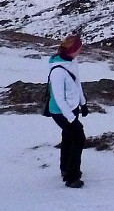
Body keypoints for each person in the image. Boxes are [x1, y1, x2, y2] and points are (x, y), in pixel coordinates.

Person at [47, 34, 88, 188]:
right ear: (73, 50)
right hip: (60, 112)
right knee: (78, 138)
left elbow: (77, 83)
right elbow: (58, 98)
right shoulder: (58, 71)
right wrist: (71, 118)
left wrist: (82, 103)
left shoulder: (72, 62)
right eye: (79, 48)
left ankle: (66, 169)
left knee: (69, 138)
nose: (81, 50)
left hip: (72, 108)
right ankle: (72, 177)